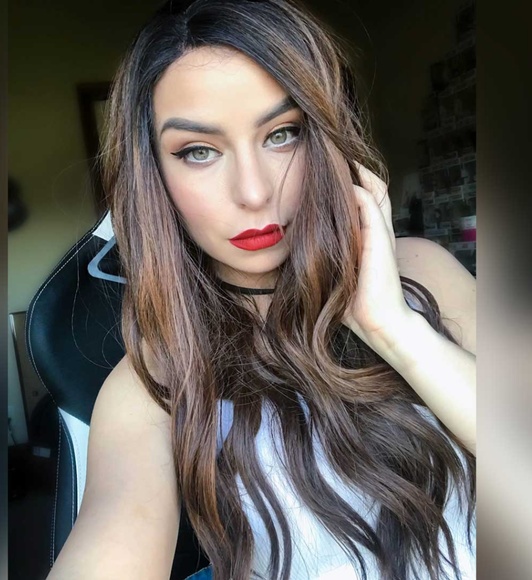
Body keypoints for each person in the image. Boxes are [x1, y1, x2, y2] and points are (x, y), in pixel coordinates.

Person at [47, 0, 476, 578]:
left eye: (283, 134)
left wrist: (393, 328)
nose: (253, 193)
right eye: (198, 151)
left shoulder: (425, 273)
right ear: (156, 176)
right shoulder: (158, 379)